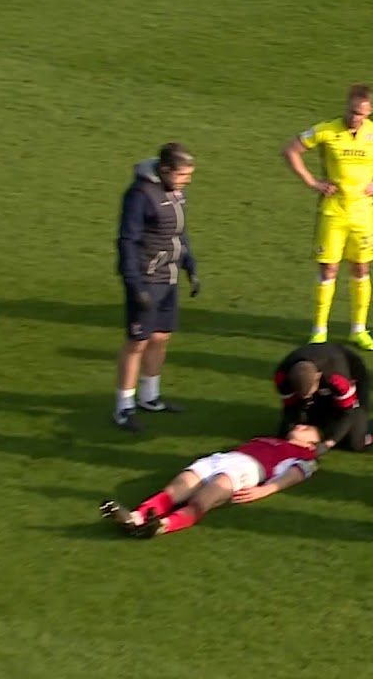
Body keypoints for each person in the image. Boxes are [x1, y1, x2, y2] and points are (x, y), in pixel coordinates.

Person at [283, 83, 373, 350]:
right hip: (333, 212)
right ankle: (319, 330)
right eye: (353, 112)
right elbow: (291, 150)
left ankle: (359, 329)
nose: (356, 118)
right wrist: (312, 182)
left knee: (361, 267)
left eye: (361, 114)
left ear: (370, 111)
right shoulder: (327, 130)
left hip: (363, 214)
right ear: (346, 106)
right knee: (328, 268)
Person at [113, 143, 201, 432]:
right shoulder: (139, 195)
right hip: (146, 277)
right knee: (137, 342)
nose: (187, 181)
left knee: (161, 337)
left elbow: (179, 231)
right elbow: (127, 240)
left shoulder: (174, 190)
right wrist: (134, 284)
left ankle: (149, 396)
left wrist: (190, 264)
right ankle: (123, 406)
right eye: (183, 175)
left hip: (169, 276)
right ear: (165, 170)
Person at [99, 428, 324, 539]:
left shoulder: (305, 457)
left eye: (307, 429)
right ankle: (136, 517)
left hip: (247, 470)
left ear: (312, 444)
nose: (301, 425)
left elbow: (295, 475)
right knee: (175, 489)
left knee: (202, 501)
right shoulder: (267, 438)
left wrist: (264, 490)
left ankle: (162, 525)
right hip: (219, 459)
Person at [273, 342, 373, 452]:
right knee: (302, 422)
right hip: (322, 380)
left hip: (353, 375)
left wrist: (329, 443)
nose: (309, 398)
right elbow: (290, 411)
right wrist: (284, 439)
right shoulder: (282, 376)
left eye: (310, 394)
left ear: (318, 377)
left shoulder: (337, 378)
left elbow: (348, 413)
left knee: (356, 442)